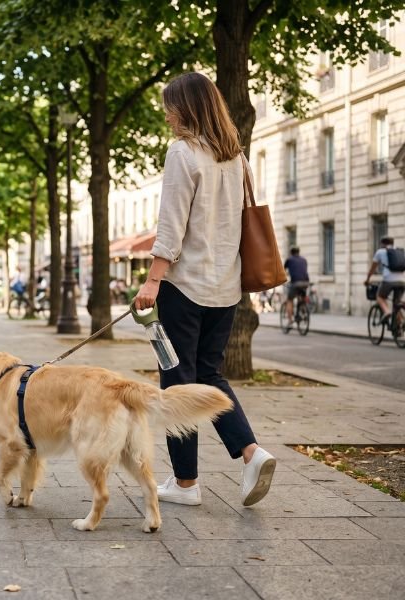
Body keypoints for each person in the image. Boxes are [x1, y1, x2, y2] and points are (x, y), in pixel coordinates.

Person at [133, 72, 276, 508]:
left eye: (170, 107)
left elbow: (171, 227)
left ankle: (186, 484)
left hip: (184, 288)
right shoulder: (237, 159)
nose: (167, 115)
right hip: (226, 290)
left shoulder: (182, 153)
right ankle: (251, 452)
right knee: (209, 375)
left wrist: (153, 280)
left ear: (188, 108)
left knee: (177, 382)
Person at [365, 236, 405, 325]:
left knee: (380, 297)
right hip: (402, 281)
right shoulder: (400, 251)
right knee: (397, 303)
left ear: (382, 244)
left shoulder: (380, 252)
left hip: (388, 280)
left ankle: (387, 312)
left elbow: (372, 268)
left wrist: (367, 280)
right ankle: (400, 325)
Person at [283, 247, 310, 330]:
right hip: (306, 283)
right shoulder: (304, 260)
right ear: (298, 252)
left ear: (291, 252)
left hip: (296, 283)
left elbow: (283, 271)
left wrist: (284, 279)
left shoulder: (289, 260)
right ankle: (302, 310)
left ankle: (290, 321)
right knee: (301, 295)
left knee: (289, 300)